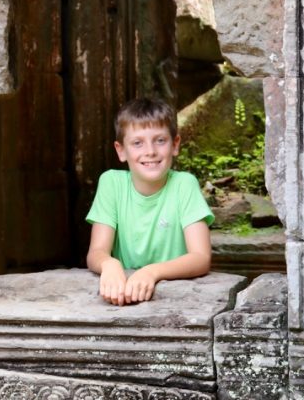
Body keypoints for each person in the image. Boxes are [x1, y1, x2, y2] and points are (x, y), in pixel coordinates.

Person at [86, 97, 213, 306]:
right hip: (124, 297)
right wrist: (109, 265)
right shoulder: (111, 183)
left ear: (175, 144)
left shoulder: (184, 185)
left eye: (160, 140)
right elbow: (96, 252)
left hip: (176, 302)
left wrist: (152, 272)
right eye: (137, 143)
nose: (150, 151)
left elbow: (201, 257)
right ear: (121, 150)